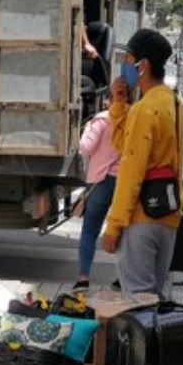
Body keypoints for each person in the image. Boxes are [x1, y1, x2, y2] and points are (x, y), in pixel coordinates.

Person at [101, 28, 183, 301]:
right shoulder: (174, 102)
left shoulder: (145, 109)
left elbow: (131, 170)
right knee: (155, 299)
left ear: (143, 65)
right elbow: (128, 144)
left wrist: (114, 225)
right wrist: (118, 104)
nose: (125, 66)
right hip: (167, 214)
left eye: (128, 60)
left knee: (138, 300)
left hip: (141, 217)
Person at [73, 110, 119, 291]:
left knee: (90, 231)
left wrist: (86, 130)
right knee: (122, 231)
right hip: (124, 182)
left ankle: (83, 278)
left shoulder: (101, 120)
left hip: (100, 181)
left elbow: (86, 147)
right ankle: (122, 278)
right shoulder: (133, 117)